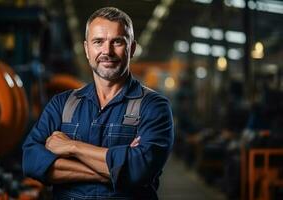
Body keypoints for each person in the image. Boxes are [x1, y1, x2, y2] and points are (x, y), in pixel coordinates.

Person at [22, 7, 174, 200]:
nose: (107, 51)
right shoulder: (62, 104)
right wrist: (117, 171)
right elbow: (31, 161)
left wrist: (72, 148)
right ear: (87, 49)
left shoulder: (153, 106)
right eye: (98, 42)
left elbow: (139, 170)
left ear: (132, 48)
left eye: (117, 41)